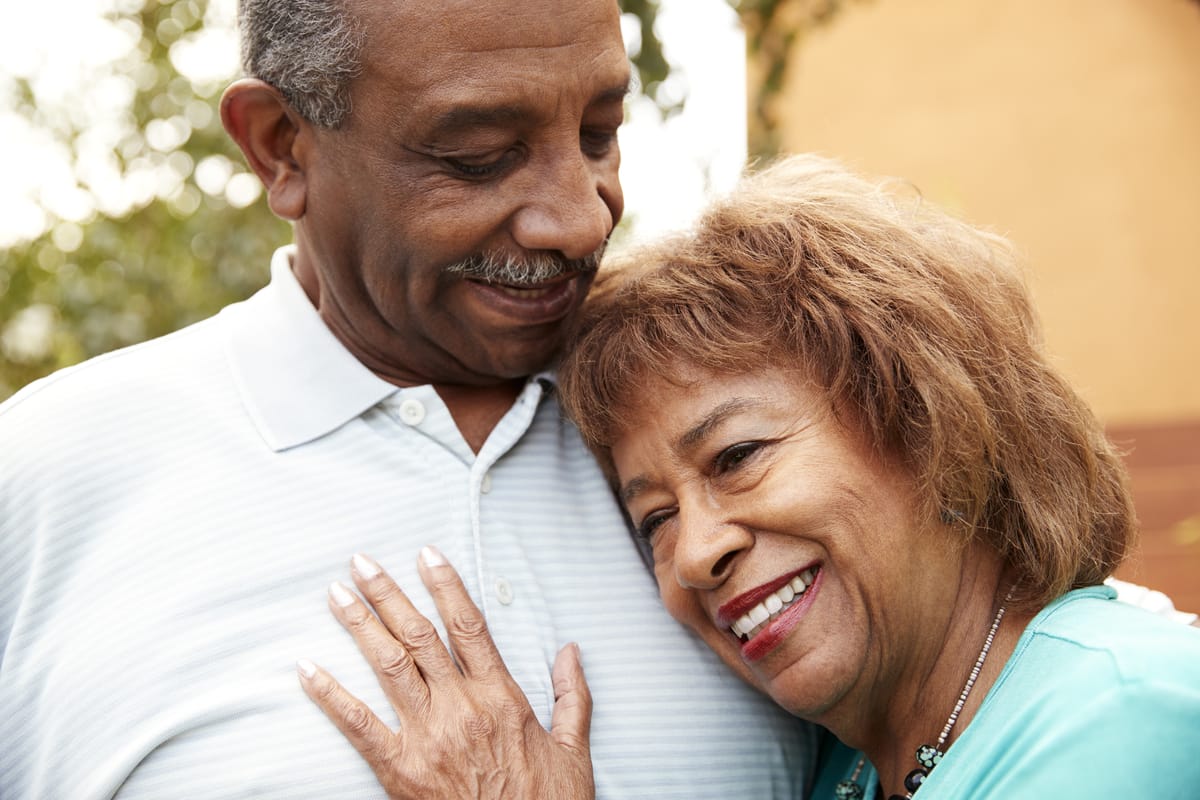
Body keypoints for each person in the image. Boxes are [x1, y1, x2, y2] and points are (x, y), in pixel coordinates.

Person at [0, 1, 815, 797]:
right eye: (480, 155)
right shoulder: (44, 479)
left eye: (599, 135)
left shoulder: (750, 439)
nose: (578, 219)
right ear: (281, 148)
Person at [300, 154, 1200, 798]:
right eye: (652, 521)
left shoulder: (1127, 716)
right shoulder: (848, 760)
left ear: (930, 422)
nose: (694, 552)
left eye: (737, 458)